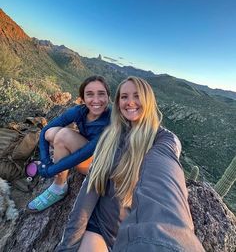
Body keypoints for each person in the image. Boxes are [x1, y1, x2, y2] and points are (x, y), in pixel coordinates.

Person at [56, 76, 204, 252]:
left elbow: (165, 187)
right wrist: (68, 246)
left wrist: (171, 244)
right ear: (118, 102)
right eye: (124, 97)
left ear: (148, 100)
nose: (130, 102)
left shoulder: (163, 140)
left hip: (137, 235)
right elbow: (90, 190)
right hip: (101, 229)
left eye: (137, 96)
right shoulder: (110, 136)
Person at [27, 75, 111, 212]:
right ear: (82, 99)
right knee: (52, 133)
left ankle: (59, 187)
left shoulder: (111, 120)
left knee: (63, 135)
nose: (96, 100)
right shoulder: (80, 111)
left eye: (101, 94)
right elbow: (45, 132)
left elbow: (86, 152)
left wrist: (49, 171)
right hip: (87, 153)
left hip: (100, 166)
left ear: (108, 97)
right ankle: (60, 163)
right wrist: (44, 162)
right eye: (89, 94)